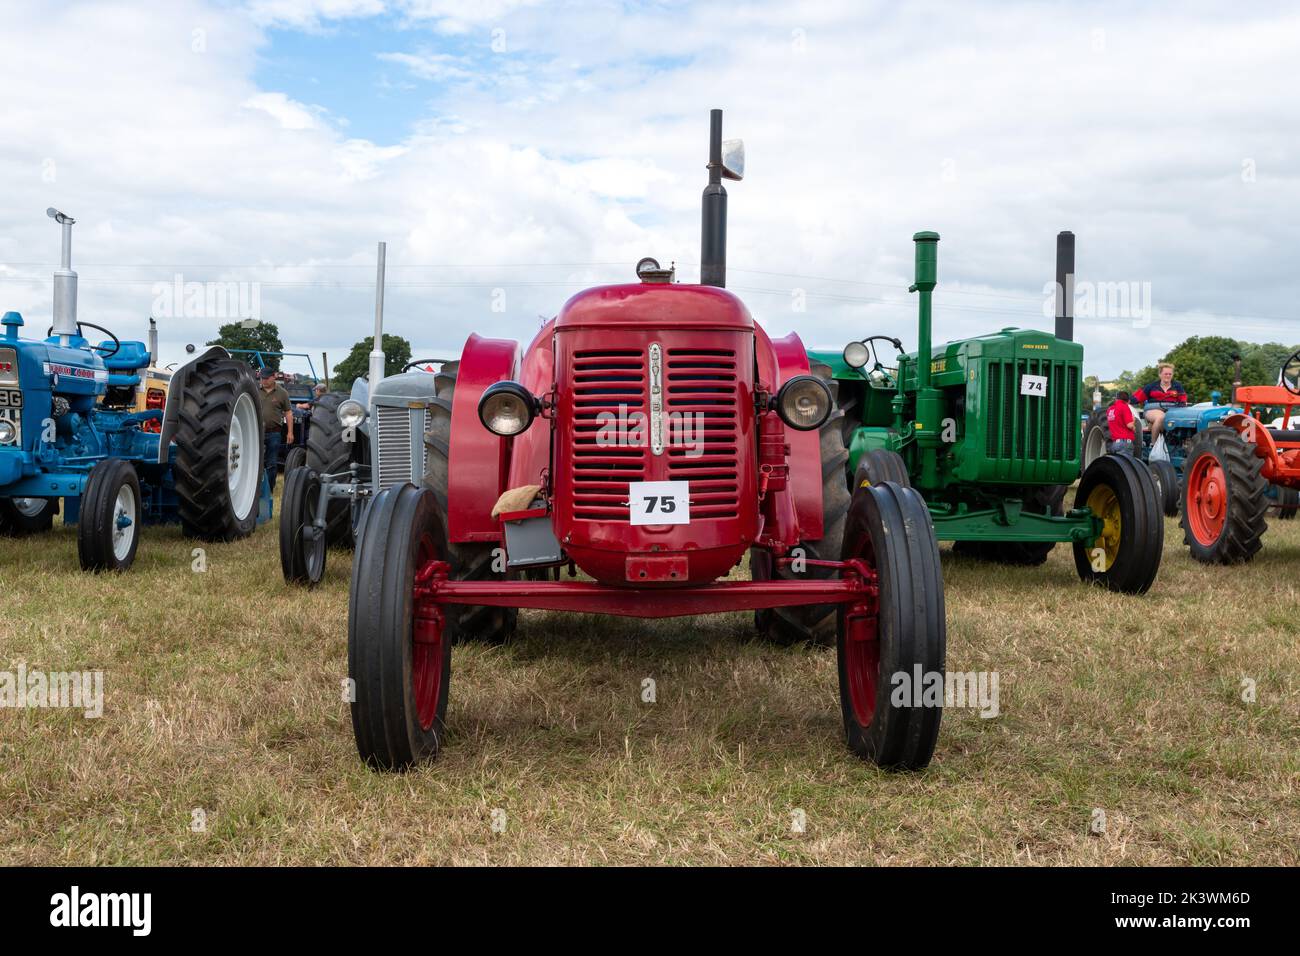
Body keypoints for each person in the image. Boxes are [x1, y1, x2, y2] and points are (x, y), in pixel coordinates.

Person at [258, 366, 293, 491]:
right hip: (256, 433)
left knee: (272, 463)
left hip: (274, 433)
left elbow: (288, 412)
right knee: (257, 461)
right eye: (262, 378)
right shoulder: (255, 390)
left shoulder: (282, 393)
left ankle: (269, 489)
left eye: (267, 378)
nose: (264, 380)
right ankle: (256, 489)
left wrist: (290, 432)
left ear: (274, 377)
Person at [1132, 363, 1188, 441]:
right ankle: (1154, 445)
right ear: (1160, 374)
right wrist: (1127, 401)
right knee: (1161, 417)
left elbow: (1183, 397)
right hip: (1152, 410)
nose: (1168, 376)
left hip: (1172, 410)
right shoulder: (1151, 386)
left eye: (1170, 374)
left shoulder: (1177, 386)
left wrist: (1182, 403)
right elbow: (1138, 397)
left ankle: (1172, 441)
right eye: (1165, 374)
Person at [1106, 390, 1138, 455]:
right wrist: (1134, 422)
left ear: (1116, 399)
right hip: (1125, 444)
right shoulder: (1124, 406)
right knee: (1126, 464)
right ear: (1128, 401)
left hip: (1115, 444)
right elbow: (1129, 425)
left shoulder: (1110, 409)